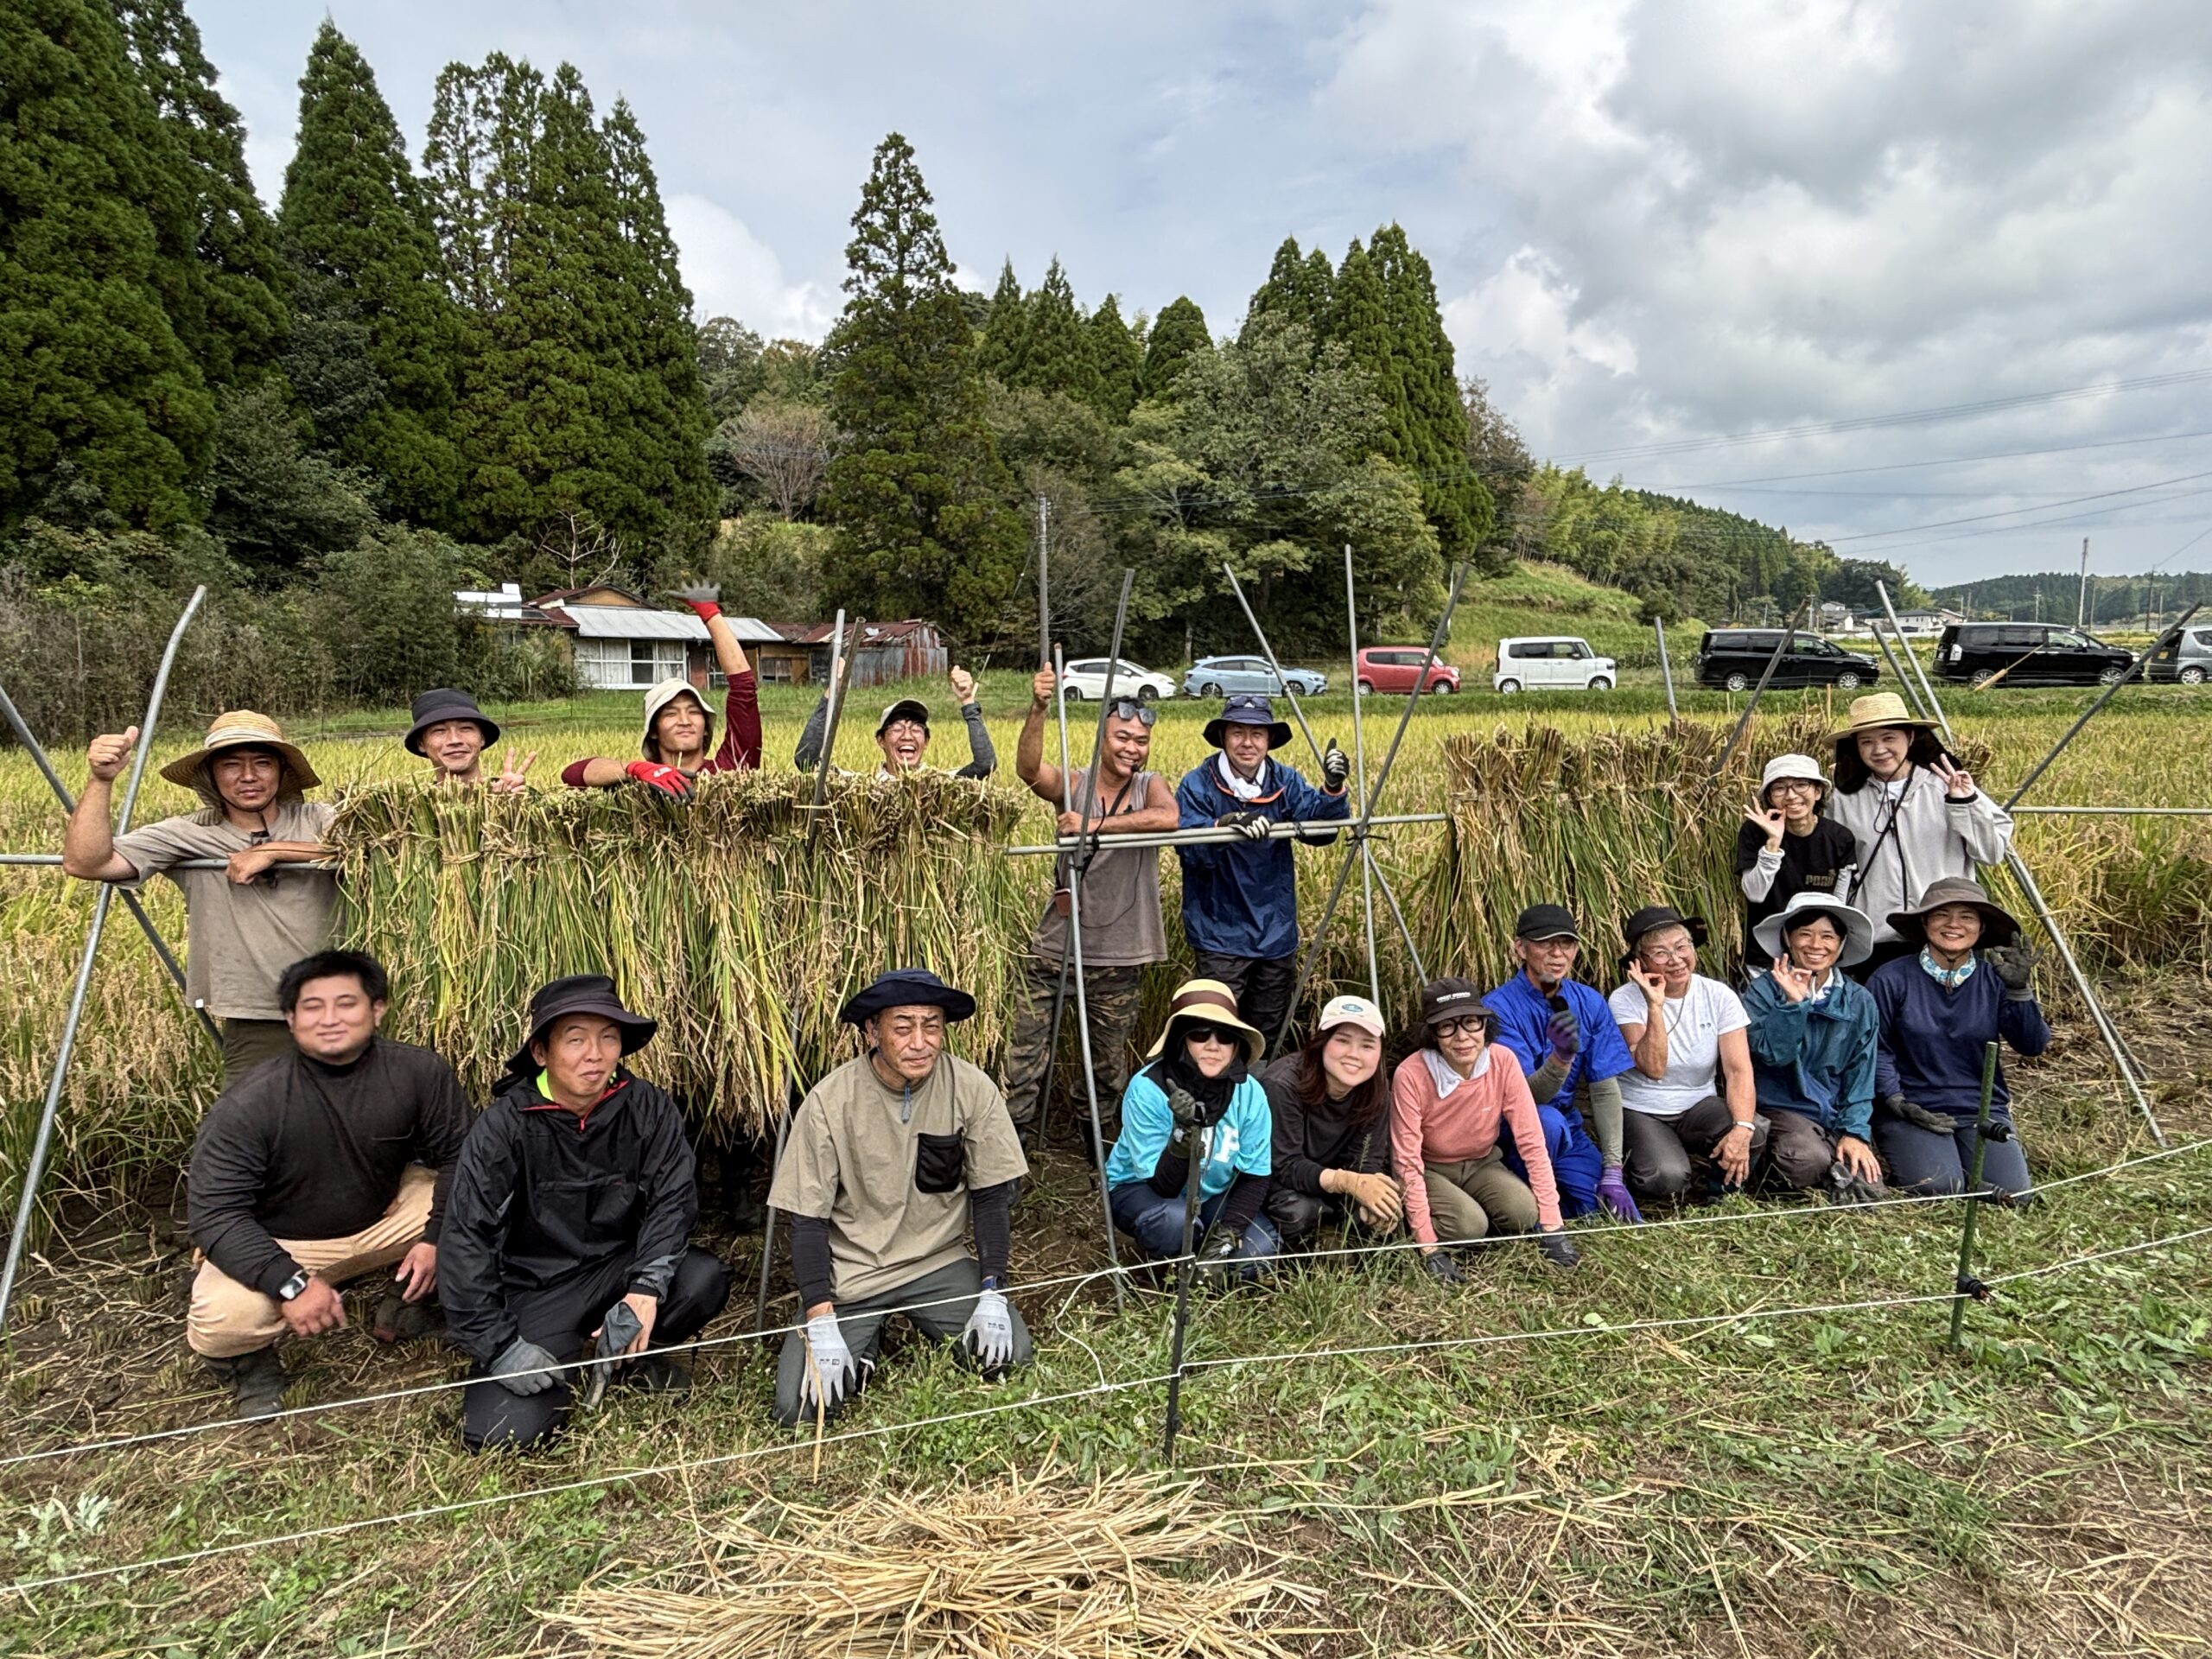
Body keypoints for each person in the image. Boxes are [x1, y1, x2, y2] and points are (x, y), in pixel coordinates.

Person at [442, 976, 731, 1452]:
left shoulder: (647, 1107)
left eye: (609, 1038)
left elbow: (674, 1200)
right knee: (503, 1435)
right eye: (575, 1040)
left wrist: (645, 1288)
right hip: (536, 1287)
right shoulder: (504, 1125)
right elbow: (465, 1237)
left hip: (616, 1269)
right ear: (541, 1052)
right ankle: (558, 1354)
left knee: (702, 1279)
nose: (595, 1055)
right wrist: (499, 1345)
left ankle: (631, 1358)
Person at [184, 950, 473, 1420]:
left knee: (491, 1205)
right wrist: (291, 1283)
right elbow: (215, 1213)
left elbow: (462, 1156)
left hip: (385, 1218)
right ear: (290, 1019)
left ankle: (410, 1302)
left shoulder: (419, 1072)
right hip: (282, 1240)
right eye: (313, 1007)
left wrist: (437, 1237)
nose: (330, 1019)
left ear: (377, 1009)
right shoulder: (250, 1103)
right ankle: (247, 1365)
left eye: (346, 1003)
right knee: (224, 1319)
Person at [768, 969, 1031, 1426]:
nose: (920, 1043)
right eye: (903, 1027)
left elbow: (990, 1196)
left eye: (932, 1026)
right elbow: (808, 1219)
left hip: (937, 1261)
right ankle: (865, 1336)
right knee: (799, 1408)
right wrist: (820, 1318)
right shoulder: (830, 1101)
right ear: (872, 1032)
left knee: (1011, 1358)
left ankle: (926, 1319)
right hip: (855, 1271)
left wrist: (993, 1290)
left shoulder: (972, 1089)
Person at [63, 711, 336, 1082]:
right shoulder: (189, 834)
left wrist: (275, 851)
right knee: (255, 1114)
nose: (249, 776)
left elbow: (381, 846)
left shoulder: (319, 820)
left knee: (358, 1112)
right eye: (231, 765)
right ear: (210, 774)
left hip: (345, 1004)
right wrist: (101, 780)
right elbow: (86, 862)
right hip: (256, 1015)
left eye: (262, 763)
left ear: (282, 771)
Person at [1001, 668, 1179, 1141]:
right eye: (1122, 737)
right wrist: (1039, 708)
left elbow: (1168, 818)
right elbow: (1029, 772)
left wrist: (1093, 826)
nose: (1132, 749)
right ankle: (1014, 1143)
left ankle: (1097, 1141)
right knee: (1023, 1054)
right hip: (1056, 948)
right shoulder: (1075, 783)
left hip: (1119, 955)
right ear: (1102, 738)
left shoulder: (1149, 786)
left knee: (1106, 1063)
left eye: (1141, 741)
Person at [1173, 696, 1350, 1044]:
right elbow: (1191, 851)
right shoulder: (1198, 784)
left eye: (1257, 734)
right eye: (1237, 733)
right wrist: (1223, 825)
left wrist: (1332, 789)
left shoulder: (1285, 780)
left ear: (1269, 740)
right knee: (1217, 1027)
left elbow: (1322, 831)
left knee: (1267, 1027)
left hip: (1274, 930)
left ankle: (1259, 1077)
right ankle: (1219, 1080)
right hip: (1218, 932)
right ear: (1223, 737)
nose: (1247, 743)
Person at [1390, 978, 1580, 1281]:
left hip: (1482, 1161)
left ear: (1484, 1025)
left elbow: (1531, 1141)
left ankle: (1466, 1209)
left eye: (1471, 1022)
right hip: (1432, 1167)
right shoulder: (1411, 1074)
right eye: (1447, 1026)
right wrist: (1429, 1248)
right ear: (1433, 1034)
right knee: (1469, 1227)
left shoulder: (1502, 1060)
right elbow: (1407, 1162)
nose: (1462, 1037)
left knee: (1523, 1213)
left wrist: (1552, 1227)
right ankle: (1411, 1224)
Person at [1868, 878, 2048, 1198]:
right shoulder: (1890, 978)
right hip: (1911, 1106)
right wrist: (1895, 1100)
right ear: (1924, 923)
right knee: (1939, 1186)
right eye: (1941, 915)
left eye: (1967, 917)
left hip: (1979, 1107)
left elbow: (2031, 1045)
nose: (1954, 924)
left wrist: (2019, 990)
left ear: (1981, 928)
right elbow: (1875, 1048)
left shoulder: (1995, 978)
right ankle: (1954, 1177)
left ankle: (1973, 1178)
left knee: (2015, 1193)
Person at [1825, 693, 2013, 976]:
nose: (1879, 749)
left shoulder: (1947, 786)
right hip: (1876, 939)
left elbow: (1992, 852)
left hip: (1946, 935)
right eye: (1867, 742)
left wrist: (1964, 804)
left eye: (1889, 738)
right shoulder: (1844, 799)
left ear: (1910, 737)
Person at [1103, 979, 1280, 1280]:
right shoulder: (1147, 1089)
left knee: (1259, 1251)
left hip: (1212, 1194)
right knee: (1174, 1224)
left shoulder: (1250, 1092)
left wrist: (1226, 1239)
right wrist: (1183, 1134)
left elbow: (1255, 1176)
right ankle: (1163, 1265)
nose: (1213, 1045)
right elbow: (1162, 1186)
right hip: (1143, 1189)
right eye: (1199, 1034)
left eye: (1225, 1036)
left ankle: (1203, 1265)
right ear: (1180, 1040)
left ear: (1236, 1044)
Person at [1481, 905, 1634, 1221]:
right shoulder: (1497, 1009)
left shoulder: (1589, 1002)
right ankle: (1526, 1206)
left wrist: (1613, 1170)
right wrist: (1561, 1059)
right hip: (1510, 1127)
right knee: (1546, 1121)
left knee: (1607, 1212)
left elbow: (1604, 1089)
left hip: (1568, 1127)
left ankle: (1549, 1206)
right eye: (1544, 943)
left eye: (1566, 943)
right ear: (1520, 948)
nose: (1557, 953)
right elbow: (1524, 1099)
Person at [1606, 906, 1767, 1205]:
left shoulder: (1719, 995)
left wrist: (1743, 1128)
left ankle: (1722, 1195)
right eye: (1660, 953)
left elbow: (1738, 1070)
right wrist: (1655, 1006)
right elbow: (1653, 1068)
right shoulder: (1624, 999)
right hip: (1642, 1108)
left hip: (1698, 1104)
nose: (1676, 959)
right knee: (1665, 1176)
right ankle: (1644, 1167)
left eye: (1682, 947)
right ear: (1640, 961)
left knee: (1751, 1130)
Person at [1741, 894, 1885, 1199]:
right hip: (1780, 1108)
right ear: (1787, 938)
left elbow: (1861, 1073)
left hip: (1832, 1113)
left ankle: (1833, 1164)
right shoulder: (1762, 991)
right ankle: (1797, 1168)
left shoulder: (1859, 1000)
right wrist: (1793, 1004)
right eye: (1805, 934)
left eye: (1828, 936)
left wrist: (1854, 1132)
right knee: (1805, 1160)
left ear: (1841, 943)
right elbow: (1773, 1055)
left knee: (1870, 1184)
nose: (1816, 945)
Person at [559, 595, 763, 798]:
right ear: (654, 731)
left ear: (706, 729)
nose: (685, 721)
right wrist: (635, 770)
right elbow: (572, 774)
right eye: (671, 714)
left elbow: (743, 689)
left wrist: (710, 614)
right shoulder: (642, 783)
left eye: (693, 712)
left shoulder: (729, 769)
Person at [1257, 994, 1402, 1246]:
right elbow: (1285, 1166)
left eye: (1367, 1046)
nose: (1354, 1054)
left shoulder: (1377, 1091)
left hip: (1336, 1185)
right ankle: (1309, 1241)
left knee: (1385, 1209)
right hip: (1280, 1183)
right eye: (1343, 1041)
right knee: (1298, 1212)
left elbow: (1366, 1162)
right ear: (1322, 1043)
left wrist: (1372, 1199)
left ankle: (1336, 1235)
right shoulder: (1282, 1084)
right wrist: (1346, 1181)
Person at [1734, 753, 1857, 976]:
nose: (1791, 795)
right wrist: (1773, 843)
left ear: (1817, 792)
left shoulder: (1839, 838)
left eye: (1801, 785)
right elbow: (1755, 894)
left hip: (1818, 954)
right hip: (1766, 955)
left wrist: (1829, 953)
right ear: (1770, 798)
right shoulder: (1755, 832)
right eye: (1780, 788)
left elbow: (1839, 902)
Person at [793, 663, 995, 779]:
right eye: (897, 728)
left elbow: (986, 765)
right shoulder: (862, 788)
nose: (907, 735)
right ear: (880, 740)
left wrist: (968, 702)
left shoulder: (942, 785)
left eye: (916, 729)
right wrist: (833, 693)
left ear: (926, 741)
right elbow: (806, 761)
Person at [404, 688, 534, 793]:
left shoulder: (520, 795)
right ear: (421, 744)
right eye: (439, 730)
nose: (454, 740)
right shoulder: (409, 806)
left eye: (466, 728)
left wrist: (508, 804)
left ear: (482, 738)